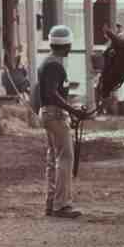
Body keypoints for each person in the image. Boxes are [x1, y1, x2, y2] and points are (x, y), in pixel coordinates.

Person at [38, 25, 89, 218]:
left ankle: (52, 203)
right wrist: (72, 110)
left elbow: (50, 93)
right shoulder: (54, 65)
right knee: (65, 158)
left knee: (54, 159)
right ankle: (61, 205)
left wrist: (71, 110)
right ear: (65, 45)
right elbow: (52, 93)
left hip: (50, 114)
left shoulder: (50, 62)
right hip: (55, 115)